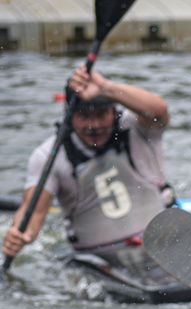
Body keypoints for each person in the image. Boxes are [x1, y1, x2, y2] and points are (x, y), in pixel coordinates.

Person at [3, 65, 174, 267]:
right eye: (84, 116)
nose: (93, 125)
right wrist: (20, 234)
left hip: (160, 245)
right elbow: (33, 211)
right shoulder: (49, 156)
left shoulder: (137, 127)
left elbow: (160, 110)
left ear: (113, 112)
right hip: (97, 261)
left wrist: (105, 87)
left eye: (101, 114)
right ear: (68, 114)